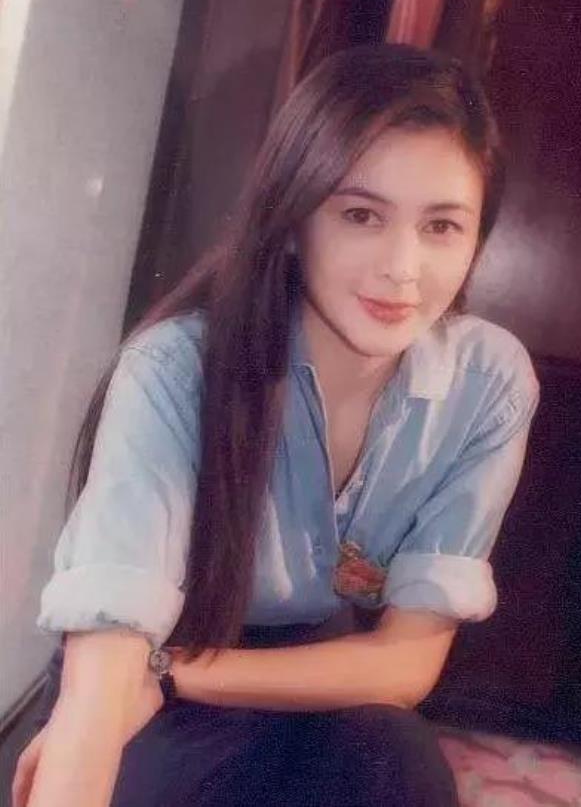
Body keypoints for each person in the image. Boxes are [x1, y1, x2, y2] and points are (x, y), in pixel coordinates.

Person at [13, 43, 539, 807]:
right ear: (293, 220)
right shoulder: (177, 369)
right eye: (361, 215)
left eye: (441, 226)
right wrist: (124, 693)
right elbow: (103, 680)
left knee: (399, 763)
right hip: (134, 671)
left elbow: (405, 663)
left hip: (293, 678)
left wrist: (173, 671)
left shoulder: (487, 384)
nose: (402, 267)